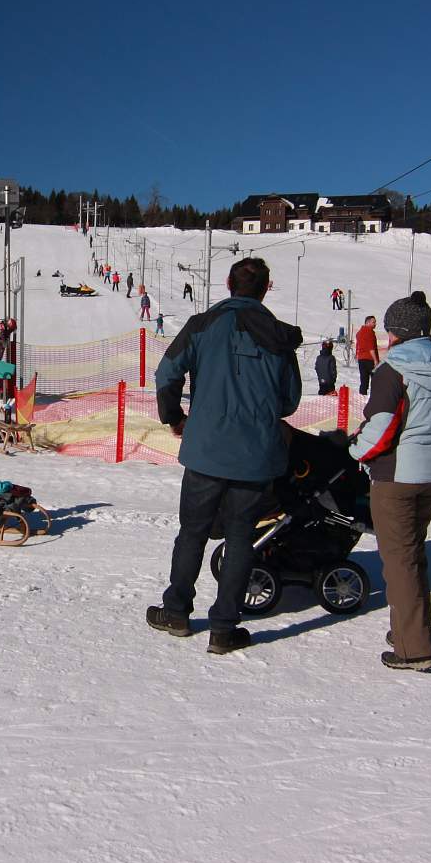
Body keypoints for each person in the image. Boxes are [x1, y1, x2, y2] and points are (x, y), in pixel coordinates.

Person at [146, 256, 303, 655]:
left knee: (192, 533)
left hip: (206, 451)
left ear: (229, 284)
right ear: (265, 289)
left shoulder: (202, 325)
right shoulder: (279, 336)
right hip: (256, 456)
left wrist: (174, 417)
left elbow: (166, 373)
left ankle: (176, 612)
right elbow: (289, 401)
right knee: (241, 539)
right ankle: (223, 628)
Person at [351, 291, 431, 672]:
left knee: (398, 562)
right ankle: (408, 629)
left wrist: (355, 450)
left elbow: (381, 427)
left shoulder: (392, 370)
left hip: (397, 475)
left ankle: (413, 649)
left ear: (396, 331)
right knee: (412, 554)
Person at [354, 314, 380, 395]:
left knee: (364, 381)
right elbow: (371, 347)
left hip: (361, 359)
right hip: (370, 359)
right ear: (367, 322)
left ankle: (362, 397)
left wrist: (357, 355)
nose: (375, 324)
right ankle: (375, 398)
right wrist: (375, 360)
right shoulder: (370, 332)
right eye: (373, 322)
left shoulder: (359, 333)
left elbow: (358, 345)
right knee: (375, 381)